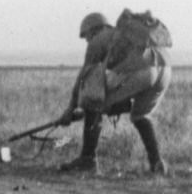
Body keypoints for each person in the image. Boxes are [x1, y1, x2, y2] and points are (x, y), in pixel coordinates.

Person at [57, 11, 171, 174]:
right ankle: (157, 163)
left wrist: (70, 109)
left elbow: (84, 79)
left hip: (141, 69)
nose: (87, 40)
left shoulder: (99, 39)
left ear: (93, 30)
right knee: (140, 115)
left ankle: (87, 160)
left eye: (86, 36)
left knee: (92, 103)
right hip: (165, 68)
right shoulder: (123, 36)